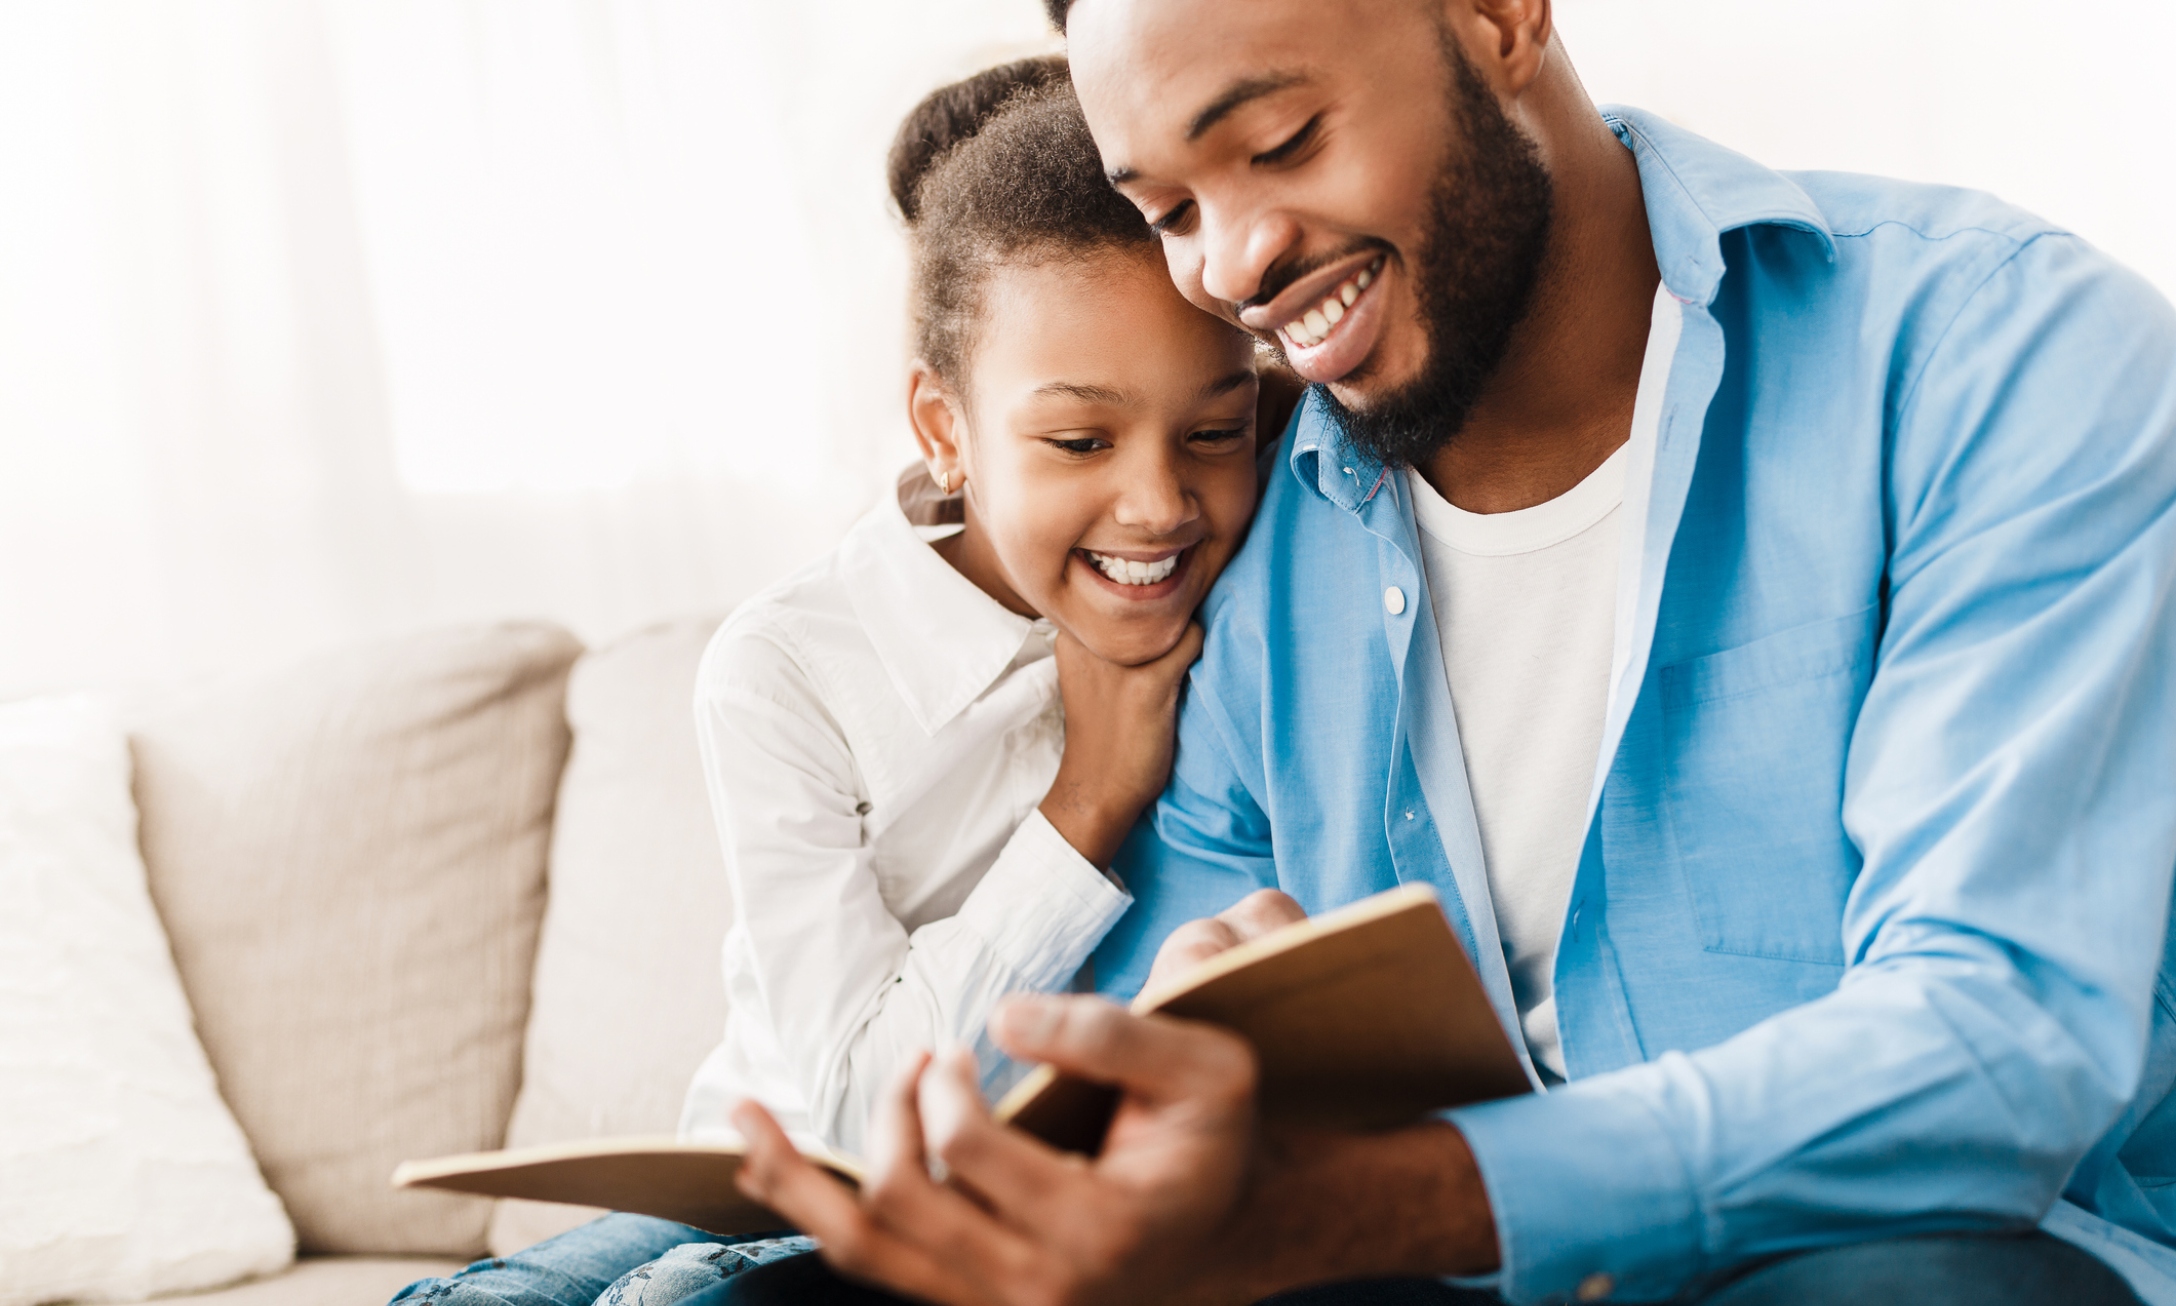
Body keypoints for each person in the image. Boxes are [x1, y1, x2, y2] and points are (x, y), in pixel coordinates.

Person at [729, 0, 2176, 1303]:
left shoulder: (1989, 356)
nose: (1232, 266)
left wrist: (1376, 1203)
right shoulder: (1264, 540)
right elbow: (1107, 1054)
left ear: (1496, 17)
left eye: (1282, 140)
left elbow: (1996, 1046)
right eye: (1169, 207)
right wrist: (1204, 1033)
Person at [391, 57, 1278, 1306]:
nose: (1158, 503)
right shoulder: (785, 670)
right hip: (781, 1158)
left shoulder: (1271, 564)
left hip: (1029, 1189)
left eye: (1213, 431)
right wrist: (1087, 797)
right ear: (943, 431)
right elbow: (863, 1115)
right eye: (1079, 440)